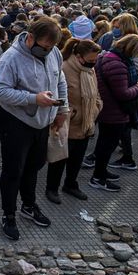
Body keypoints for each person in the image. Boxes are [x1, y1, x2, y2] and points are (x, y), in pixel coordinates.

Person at [0, 17, 68, 241]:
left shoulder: (53, 53)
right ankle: (9, 214)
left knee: (34, 167)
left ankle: (28, 204)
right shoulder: (11, 58)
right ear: (31, 38)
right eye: (43, 47)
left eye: (50, 48)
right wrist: (33, 98)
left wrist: (62, 109)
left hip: (42, 122)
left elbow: (59, 80)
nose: (46, 51)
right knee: (13, 170)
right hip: (16, 122)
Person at [45, 39, 101, 204]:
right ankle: (52, 188)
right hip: (67, 123)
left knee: (77, 158)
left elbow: (96, 92)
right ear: (78, 56)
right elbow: (57, 95)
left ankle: (71, 184)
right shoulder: (64, 69)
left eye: (95, 60)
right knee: (59, 158)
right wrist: (70, 114)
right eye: (91, 60)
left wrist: (96, 108)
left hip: (86, 123)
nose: (94, 63)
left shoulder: (90, 71)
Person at [92, 35, 138, 191]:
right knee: (107, 144)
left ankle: (101, 171)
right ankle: (98, 177)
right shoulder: (117, 64)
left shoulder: (108, 57)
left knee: (105, 142)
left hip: (108, 108)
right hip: (114, 110)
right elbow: (122, 94)